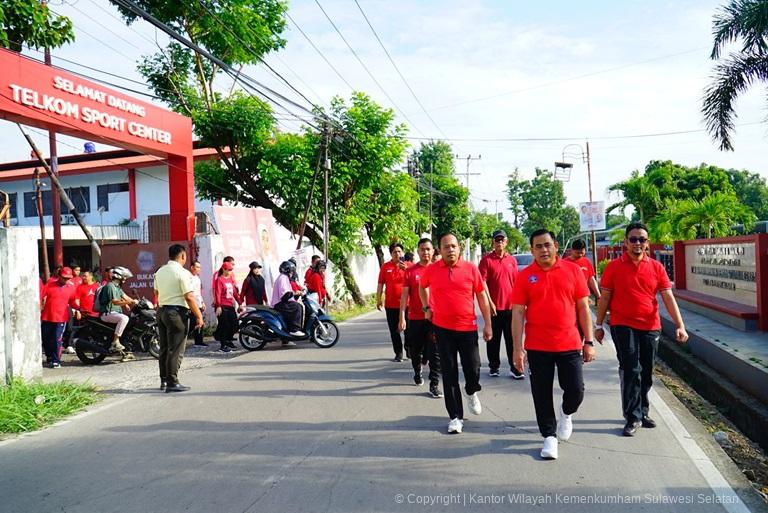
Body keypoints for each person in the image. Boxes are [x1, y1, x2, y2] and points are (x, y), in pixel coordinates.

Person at [595, 222, 689, 437]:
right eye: (634, 239)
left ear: (647, 243)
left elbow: (667, 297)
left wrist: (680, 325)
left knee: (646, 372)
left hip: (650, 326)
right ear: (626, 242)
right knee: (631, 369)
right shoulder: (613, 267)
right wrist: (599, 325)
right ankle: (632, 416)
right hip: (622, 324)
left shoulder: (656, 267)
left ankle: (642, 411)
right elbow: (605, 298)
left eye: (642, 240)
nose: (638, 243)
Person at [511, 229, 595, 460]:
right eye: (538, 246)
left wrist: (588, 341)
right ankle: (549, 436)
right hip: (538, 346)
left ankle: (567, 413)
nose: (543, 250)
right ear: (532, 250)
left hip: (569, 343)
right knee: (541, 393)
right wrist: (518, 349)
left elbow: (583, 308)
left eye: (547, 245)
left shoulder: (573, 271)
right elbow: (518, 313)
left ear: (556, 246)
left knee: (576, 390)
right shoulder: (525, 276)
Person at [419, 233, 493, 434]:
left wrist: (487, 324)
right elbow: (421, 286)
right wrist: (427, 308)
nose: (450, 249)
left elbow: (481, 296)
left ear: (459, 248)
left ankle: (471, 391)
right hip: (442, 329)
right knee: (449, 373)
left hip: (467, 328)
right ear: (439, 250)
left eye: (453, 246)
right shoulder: (432, 270)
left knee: (473, 369)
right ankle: (455, 417)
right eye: (445, 247)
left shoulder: (470, 269)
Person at [154, 244, 203, 393]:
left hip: (162, 311)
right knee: (175, 349)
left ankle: (163, 380)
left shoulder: (160, 271)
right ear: (182, 256)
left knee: (164, 348)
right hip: (176, 313)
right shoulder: (182, 273)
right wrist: (199, 316)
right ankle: (172, 382)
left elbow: (156, 292)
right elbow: (189, 296)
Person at [398, 238, 442, 398]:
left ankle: (434, 384)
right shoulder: (410, 272)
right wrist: (401, 317)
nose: (425, 252)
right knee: (415, 350)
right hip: (415, 317)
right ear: (418, 252)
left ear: (433, 251)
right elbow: (404, 296)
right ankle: (417, 371)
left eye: (428, 249)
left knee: (435, 351)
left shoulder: (439, 269)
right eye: (422, 249)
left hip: (435, 319)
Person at [478, 229, 523, 379]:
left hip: (511, 308)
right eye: (497, 240)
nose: (499, 243)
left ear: (506, 242)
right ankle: (494, 366)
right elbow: (482, 282)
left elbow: (516, 283)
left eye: (502, 240)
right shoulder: (486, 260)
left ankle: (515, 367)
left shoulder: (512, 260)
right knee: (493, 339)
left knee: (512, 339)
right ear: (493, 242)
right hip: (494, 308)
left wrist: (521, 303)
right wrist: (489, 302)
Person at [40, 266, 79, 368]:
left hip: (61, 317)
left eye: (68, 278)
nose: (66, 280)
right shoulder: (50, 284)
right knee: (45, 338)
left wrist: (79, 309)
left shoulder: (71, 287)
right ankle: (49, 356)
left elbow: (73, 301)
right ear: (59, 276)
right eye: (64, 277)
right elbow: (41, 296)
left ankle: (56, 360)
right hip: (47, 316)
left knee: (57, 338)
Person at [98, 265, 138, 360]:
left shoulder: (117, 287)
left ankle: (126, 348)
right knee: (124, 318)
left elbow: (125, 297)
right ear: (119, 276)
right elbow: (115, 301)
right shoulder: (110, 286)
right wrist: (129, 302)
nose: (125, 279)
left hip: (114, 313)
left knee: (128, 322)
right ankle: (115, 341)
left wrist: (137, 302)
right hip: (107, 313)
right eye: (124, 277)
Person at [377, 242, 408, 361]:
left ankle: (409, 349)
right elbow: (380, 284)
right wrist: (378, 299)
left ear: (403, 253)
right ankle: (398, 353)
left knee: (409, 331)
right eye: (395, 252)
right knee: (394, 331)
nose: (397, 254)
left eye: (399, 251)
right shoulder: (385, 267)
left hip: (407, 304)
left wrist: (406, 270)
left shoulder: (409, 266)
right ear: (391, 254)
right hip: (391, 304)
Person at [271, 260, 305, 339]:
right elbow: (285, 295)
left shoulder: (283, 277)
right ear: (288, 270)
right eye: (292, 271)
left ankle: (287, 334)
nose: (292, 273)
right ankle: (294, 329)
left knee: (295, 306)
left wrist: (296, 294)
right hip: (279, 303)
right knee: (297, 307)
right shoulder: (283, 278)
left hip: (280, 302)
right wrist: (296, 293)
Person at [212, 261, 241, 353]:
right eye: (228, 270)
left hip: (230, 305)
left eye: (231, 270)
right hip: (222, 306)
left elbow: (235, 293)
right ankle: (223, 345)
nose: (230, 271)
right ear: (223, 269)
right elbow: (217, 294)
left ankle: (228, 340)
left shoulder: (231, 279)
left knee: (235, 324)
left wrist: (240, 303)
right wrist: (218, 306)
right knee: (224, 325)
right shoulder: (219, 280)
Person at [189, 260, 207, 346]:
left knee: (200, 322)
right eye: (197, 267)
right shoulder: (189, 277)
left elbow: (198, 292)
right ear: (192, 267)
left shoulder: (197, 278)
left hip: (198, 302)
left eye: (200, 267)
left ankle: (199, 341)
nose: (199, 269)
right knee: (193, 322)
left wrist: (202, 302)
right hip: (192, 304)